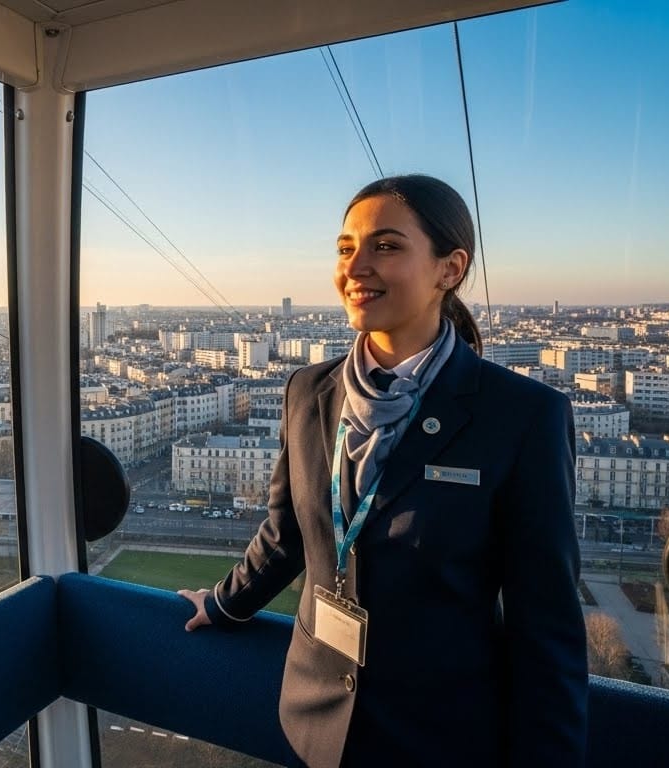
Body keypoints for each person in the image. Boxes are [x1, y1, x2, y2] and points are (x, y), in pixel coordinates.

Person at [178, 174, 587, 767]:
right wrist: (223, 605)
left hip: (442, 739)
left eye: (386, 246)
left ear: (450, 269)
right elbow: (287, 535)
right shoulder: (307, 390)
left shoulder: (523, 416)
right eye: (346, 248)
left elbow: (545, 626)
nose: (356, 266)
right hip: (313, 725)